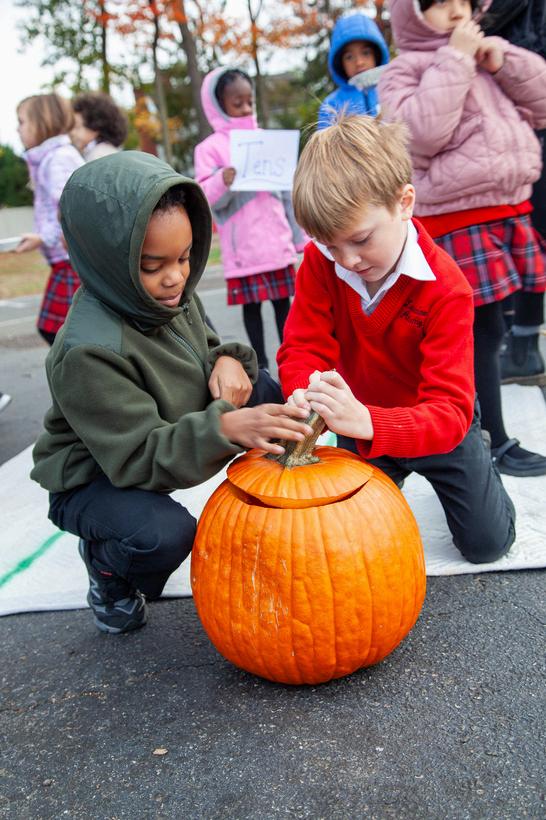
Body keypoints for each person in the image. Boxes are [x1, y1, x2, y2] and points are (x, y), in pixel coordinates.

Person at [30, 151, 312, 635]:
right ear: (108, 262)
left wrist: (228, 359)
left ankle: (277, 511)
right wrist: (226, 428)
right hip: (100, 477)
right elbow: (139, 456)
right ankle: (106, 568)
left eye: (184, 257)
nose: (175, 276)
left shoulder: (169, 292)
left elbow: (206, 349)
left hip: (170, 428)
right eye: (152, 264)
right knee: (162, 535)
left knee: (265, 391)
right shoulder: (86, 352)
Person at [277, 115, 515, 565]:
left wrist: (370, 422)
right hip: (360, 421)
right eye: (330, 245)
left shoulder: (447, 288)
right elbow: (303, 345)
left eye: (360, 239)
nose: (347, 259)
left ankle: (481, 461)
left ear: (404, 203)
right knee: (347, 545)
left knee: (486, 544)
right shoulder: (320, 262)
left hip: (435, 424)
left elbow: (448, 411)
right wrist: (305, 389)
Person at [378, 0, 546, 477]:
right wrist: (454, 58)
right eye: (440, 4)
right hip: (455, 216)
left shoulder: (485, 57)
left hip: (505, 206)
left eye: (463, 2)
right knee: (476, 331)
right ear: (412, 14)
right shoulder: (405, 69)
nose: (456, 12)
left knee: (492, 328)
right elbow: (420, 134)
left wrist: (504, 60)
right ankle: (489, 439)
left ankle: (481, 433)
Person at [194, 66, 306, 372]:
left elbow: (287, 193)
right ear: (219, 105)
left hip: (277, 243)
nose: (245, 108)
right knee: (252, 309)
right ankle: (263, 366)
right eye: (237, 103)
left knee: (284, 306)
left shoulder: (266, 140)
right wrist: (223, 180)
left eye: (249, 101)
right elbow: (204, 196)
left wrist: (299, 237)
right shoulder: (209, 149)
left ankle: (291, 360)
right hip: (243, 249)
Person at [483, 0, 546, 383]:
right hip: (517, 132)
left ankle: (523, 346)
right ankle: (521, 343)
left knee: (529, 237)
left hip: (526, 130)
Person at [14, 93, 84, 346]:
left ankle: (81, 370)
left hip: (70, 259)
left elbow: (69, 210)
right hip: (64, 260)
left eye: (22, 122)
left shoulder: (57, 159)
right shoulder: (49, 158)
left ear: (42, 121)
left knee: (62, 332)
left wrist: (43, 238)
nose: (17, 129)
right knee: (60, 331)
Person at [318, 12, 390, 130]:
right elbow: (325, 140)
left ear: (377, 55)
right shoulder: (331, 105)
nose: (359, 62)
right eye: (349, 57)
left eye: (365, 53)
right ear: (340, 63)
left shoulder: (392, 91)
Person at [71, 91, 128, 161]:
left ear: (95, 127)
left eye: (77, 127)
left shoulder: (97, 156)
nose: (72, 132)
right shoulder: (109, 151)